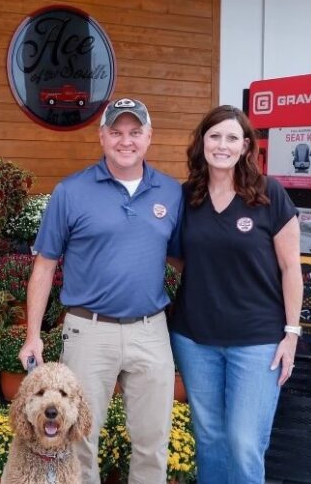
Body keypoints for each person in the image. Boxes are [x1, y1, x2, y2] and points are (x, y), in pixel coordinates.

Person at [18, 98, 184, 484]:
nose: (126, 141)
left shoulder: (170, 192)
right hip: (88, 331)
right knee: (78, 440)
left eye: (135, 132)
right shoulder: (71, 191)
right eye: (116, 132)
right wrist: (32, 335)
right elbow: (44, 266)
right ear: (102, 136)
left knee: (153, 442)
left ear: (149, 137)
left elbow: (182, 259)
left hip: (150, 331)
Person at [169, 105, 302, 484]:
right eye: (214, 136)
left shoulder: (269, 193)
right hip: (195, 338)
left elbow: (291, 268)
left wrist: (292, 334)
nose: (222, 145)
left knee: (244, 442)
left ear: (245, 146)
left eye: (232, 138)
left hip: (257, 340)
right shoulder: (187, 197)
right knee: (209, 440)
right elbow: (177, 258)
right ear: (202, 143)